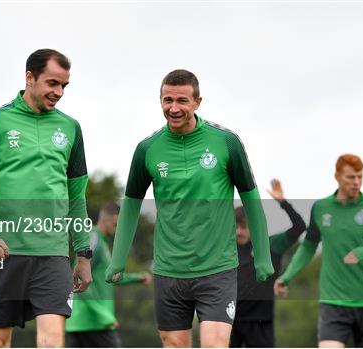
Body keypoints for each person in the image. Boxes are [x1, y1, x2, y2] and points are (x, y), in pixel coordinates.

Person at [105, 69, 274, 348]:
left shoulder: (226, 142)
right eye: (167, 100)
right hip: (169, 271)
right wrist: (118, 258)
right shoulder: (147, 149)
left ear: (197, 102)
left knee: (215, 345)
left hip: (217, 269)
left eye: (182, 101)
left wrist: (262, 255)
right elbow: (132, 205)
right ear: (159, 100)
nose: (173, 108)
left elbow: (251, 200)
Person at [0, 48, 92, 348]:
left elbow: (77, 197)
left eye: (64, 85)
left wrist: (84, 253)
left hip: (52, 252)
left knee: (52, 337)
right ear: (29, 78)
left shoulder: (71, 128)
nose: (59, 92)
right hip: (2, 251)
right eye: (52, 83)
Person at [274, 154, 363, 348]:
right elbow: (308, 246)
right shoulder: (320, 208)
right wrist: (287, 276)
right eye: (351, 177)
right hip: (333, 302)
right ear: (337, 177)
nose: (356, 182)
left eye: (360, 176)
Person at [231, 179, 306, 347]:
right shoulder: (226, 250)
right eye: (235, 227)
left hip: (260, 322)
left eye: (244, 227)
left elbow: (300, 227)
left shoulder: (271, 245)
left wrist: (283, 202)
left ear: (254, 226)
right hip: (229, 321)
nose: (239, 231)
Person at [66, 202, 152, 347]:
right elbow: (79, 279)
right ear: (112, 217)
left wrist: (138, 278)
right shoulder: (93, 237)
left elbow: (111, 278)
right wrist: (104, 315)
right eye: (117, 223)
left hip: (84, 323)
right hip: (94, 322)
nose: (118, 227)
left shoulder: (103, 244)